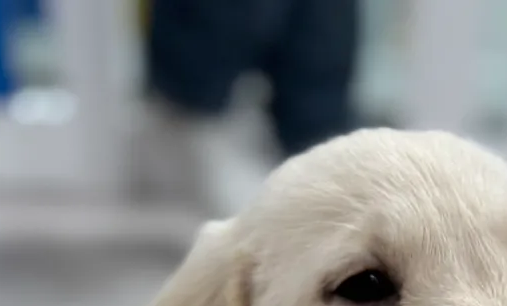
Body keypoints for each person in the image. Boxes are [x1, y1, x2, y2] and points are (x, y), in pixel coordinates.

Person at [147, 0, 359, 211]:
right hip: (207, 113)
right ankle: (192, 112)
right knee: (231, 13)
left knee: (323, 22)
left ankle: (311, 151)